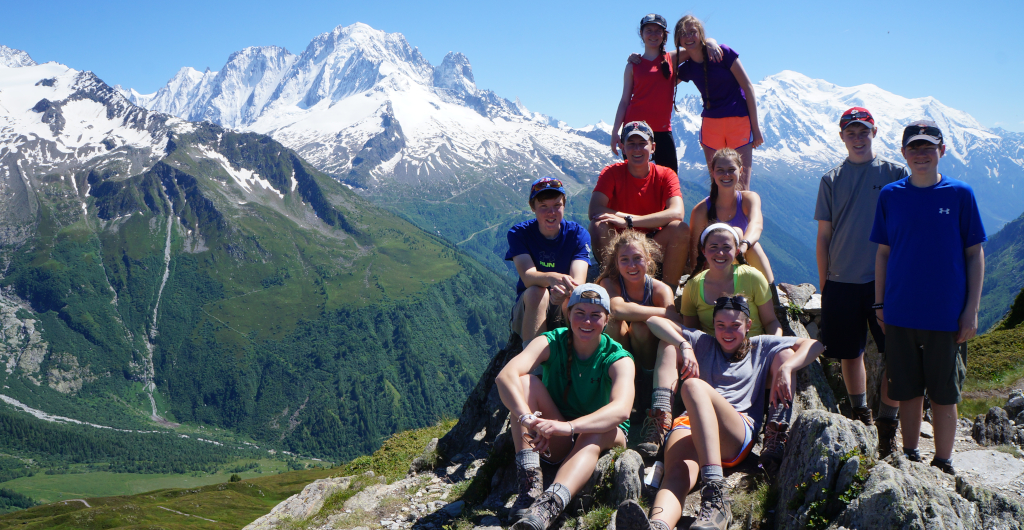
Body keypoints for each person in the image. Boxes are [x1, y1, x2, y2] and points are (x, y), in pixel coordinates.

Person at [616, 296, 825, 530]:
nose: (727, 332)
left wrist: (787, 367)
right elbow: (655, 321)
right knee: (676, 474)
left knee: (693, 386)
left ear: (748, 325)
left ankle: (716, 496)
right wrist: (684, 345)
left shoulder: (762, 346)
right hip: (689, 424)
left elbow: (814, 344)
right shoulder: (702, 342)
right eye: (720, 326)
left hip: (734, 430)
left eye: (735, 326)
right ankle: (658, 525)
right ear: (713, 325)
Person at [870, 121, 986, 475]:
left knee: (944, 392)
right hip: (901, 310)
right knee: (906, 389)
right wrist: (879, 304)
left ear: (942, 151)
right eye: (914, 148)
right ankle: (910, 454)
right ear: (903, 153)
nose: (921, 155)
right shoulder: (891, 195)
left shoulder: (960, 194)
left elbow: (974, 254)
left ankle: (944, 460)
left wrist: (971, 310)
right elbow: (883, 254)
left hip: (946, 314)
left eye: (928, 147)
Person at [497, 284, 636, 529]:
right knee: (526, 382)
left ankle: (549, 505)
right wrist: (528, 419)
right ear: (568, 314)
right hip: (557, 435)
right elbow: (506, 377)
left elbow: (621, 410)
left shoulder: (618, 358)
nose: (587, 321)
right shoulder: (551, 341)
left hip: (603, 436)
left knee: (594, 430)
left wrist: (568, 427)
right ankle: (530, 485)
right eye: (580, 313)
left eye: (595, 315)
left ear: (606, 320)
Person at [638, 223, 780, 456]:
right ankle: (661, 421)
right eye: (713, 247)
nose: (720, 253)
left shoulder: (753, 278)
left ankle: (776, 433)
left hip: (751, 353)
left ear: (737, 250)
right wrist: (684, 346)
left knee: (784, 356)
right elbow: (690, 332)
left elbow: (772, 322)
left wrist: (771, 349)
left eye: (726, 247)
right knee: (670, 343)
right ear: (703, 251)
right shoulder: (694, 286)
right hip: (713, 355)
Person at [814, 107, 908, 457]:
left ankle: (888, 425)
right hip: (841, 281)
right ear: (841, 136)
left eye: (863, 131)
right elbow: (824, 235)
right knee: (850, 354)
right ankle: (862, 416)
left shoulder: (896, 173)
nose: (857, 137)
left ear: (874, 132)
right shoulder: (831, 179)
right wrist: (826, 284)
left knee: (896, 355)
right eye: (851, 132)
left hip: (886, 282)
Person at [595, 230, 678, 452]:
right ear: (616, 262)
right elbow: (617, 308)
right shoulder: (609, 284)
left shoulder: (660, 289)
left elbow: (674, 322)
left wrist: (644, 316)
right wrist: (661, 312)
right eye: (625, 260)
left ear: (648, 259)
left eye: (637, 258)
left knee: (642, 328)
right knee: (613, 322)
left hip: (648, 357)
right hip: (623, 355)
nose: (632, 265)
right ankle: (621, 381)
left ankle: (644, 390)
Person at [611, 14, 722, 174]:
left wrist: (711, 42)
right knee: (635, 181)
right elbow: (624, 101)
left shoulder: (672, 57)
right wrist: (615, 132)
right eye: (649, 30)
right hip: (634, 131)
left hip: (663, 130)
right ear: (641, 34)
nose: (653, 34)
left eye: (658, 31)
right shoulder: (633, 66)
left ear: (664, 35)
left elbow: (697, 46)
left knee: (670, 178)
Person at [590, 120, 689, 289]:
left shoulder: (666, 174)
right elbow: (595, 209)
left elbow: (677, 213)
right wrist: (625, 221)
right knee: (598, 225)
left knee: (680, 228)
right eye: (631, 143)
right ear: (623, 147)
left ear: (653, 147)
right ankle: (616, 285)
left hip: (652, 241)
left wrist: (629, 221)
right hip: (619, 242)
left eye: (643, 143)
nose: (637, 149)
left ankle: (668, 293)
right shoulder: (611, 173)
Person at [674, 14, 763, 190]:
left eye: (693, 32)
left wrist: (756, 128)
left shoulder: (723, 53)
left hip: (739, 122)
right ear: (678, 38)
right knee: (717, 184)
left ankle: (745, 218)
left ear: (701, 34)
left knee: (742, 185)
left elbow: (748, 87)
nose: (689, 37)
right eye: (683, 34)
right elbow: (664, 79)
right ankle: (719, 219)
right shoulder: (689, 67)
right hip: (711, 127)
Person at [506, 177, 592, 342]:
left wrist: (564, 292)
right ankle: (532, 361)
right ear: (533, 208)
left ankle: (575, 355)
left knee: (573, 297)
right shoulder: (519, 234)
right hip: (530, 307)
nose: (551, 213)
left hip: (563, 302)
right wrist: (553, 278)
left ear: (564, 206)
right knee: (536, 292)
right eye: (543, 206)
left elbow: (578, 282)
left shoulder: (578, 235)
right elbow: (528, 276)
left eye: (557, 206)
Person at [688, 147, 776, 286]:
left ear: (740, 171)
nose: (726, 175)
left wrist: (743, 245)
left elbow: (756, 225)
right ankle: (771, 297)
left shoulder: (750, 199)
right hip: (714, 271)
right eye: (720, 170)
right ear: (713, 173)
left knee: (753, 244)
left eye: (731, 170)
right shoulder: (701, 210)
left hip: (743, 262)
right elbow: (695, 253)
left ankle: (772, 298)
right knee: (738, 233)